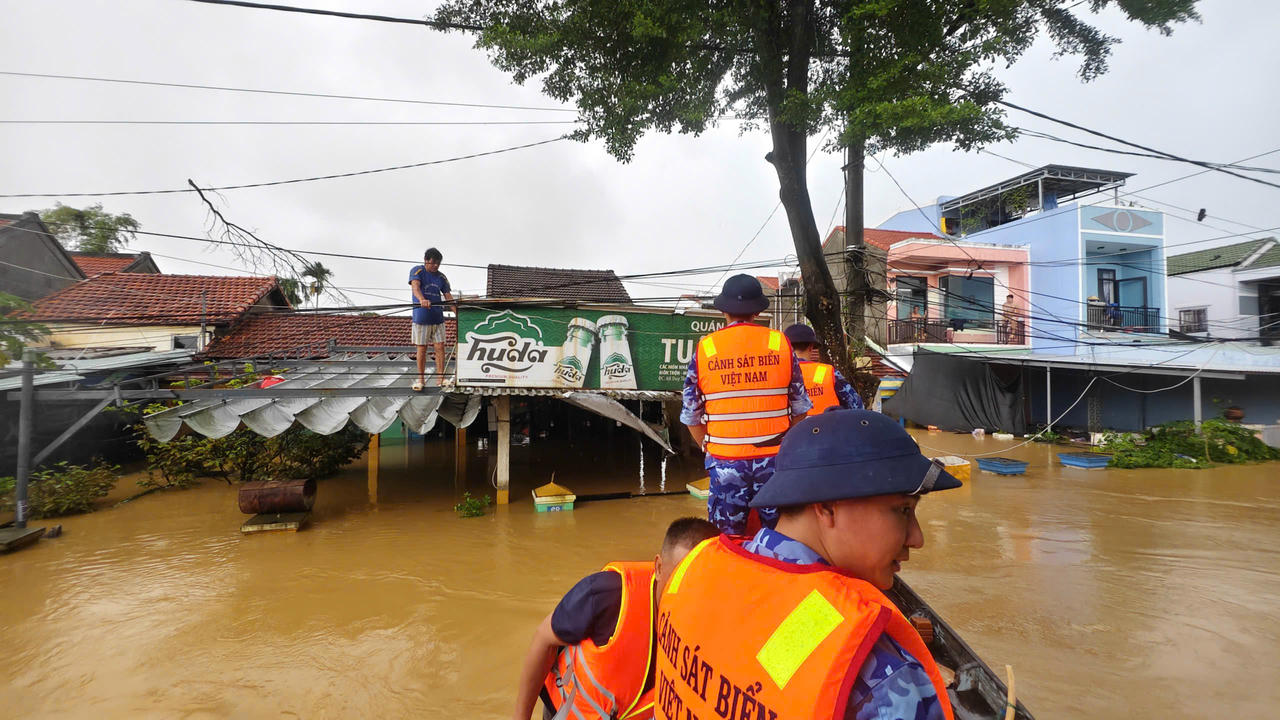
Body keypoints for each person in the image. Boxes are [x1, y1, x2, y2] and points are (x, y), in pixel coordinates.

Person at [654, 410, 962, 720]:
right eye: (903, 510)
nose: (917, 538)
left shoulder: (696, 572)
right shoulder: (880, 679)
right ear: (827, 507)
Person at [513, 517, 719, 720]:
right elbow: (543, 638)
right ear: (658, 568)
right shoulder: (606, 595)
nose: (686, 595)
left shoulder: (713, 625)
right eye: (678, 580)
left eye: (699, 584)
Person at [680, 274, 811, 534]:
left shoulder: (707, 348)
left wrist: (711, 448)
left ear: (723, 310)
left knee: (727, 541)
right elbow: (800, 408)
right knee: (781, 535)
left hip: (726, 463)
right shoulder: (780, 343)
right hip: (774, 462)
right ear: (758, 311)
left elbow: (691, 415)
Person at [783, 323, 863, 414]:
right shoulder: (827, 373)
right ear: (811, 347)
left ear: (787, 347)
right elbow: (856, 405)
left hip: (792, 428)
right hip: (826, 427)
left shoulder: (779, 373)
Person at [409, 247, 454, 391]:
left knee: (440, 347)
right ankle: (420, 379)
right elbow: (415, 288)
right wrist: (422, 299)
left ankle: (440, 378)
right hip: (421, 318)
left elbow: (448, 296)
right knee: (422, 349)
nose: (435, 265)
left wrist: (458, 313)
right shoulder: (418, 271)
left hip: (438, 318)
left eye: (438, 263)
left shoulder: (441, 277)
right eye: (433, 262)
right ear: (426, 260)